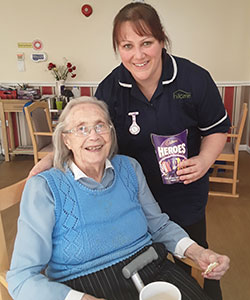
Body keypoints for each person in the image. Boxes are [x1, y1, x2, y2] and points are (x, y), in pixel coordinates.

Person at [28, 3, 231, 299]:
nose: (138, 55)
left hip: (184, 189)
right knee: (152, 256)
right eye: (127, 46)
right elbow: (89, 131)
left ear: (161, 41)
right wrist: (55, 154)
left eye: (147, 43)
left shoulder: (194, 79)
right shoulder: (111, 88)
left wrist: (204, 159)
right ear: (118, 48)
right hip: (132, 193)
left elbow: (216, 129)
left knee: (193, 256)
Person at [7, 97, 229, 300]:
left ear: (111, 133)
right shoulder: (44, 188)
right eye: (81, 129)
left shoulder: (129, 167)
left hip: (153, 268)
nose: (93, 135)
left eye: (100, 126)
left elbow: (159, 226)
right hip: (84, 286)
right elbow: (22, 278)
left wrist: (198, 252)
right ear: (66, 140)